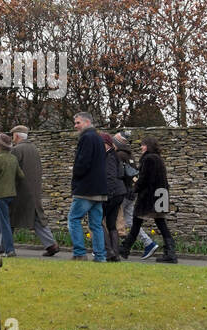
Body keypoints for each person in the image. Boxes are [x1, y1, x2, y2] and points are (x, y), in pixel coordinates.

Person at [120, 136, 178, 263]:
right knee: (160, 223)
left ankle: (125, 249)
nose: (141, 147)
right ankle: (170, 252)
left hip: (150, 195)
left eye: (143, 145)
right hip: (160, 194)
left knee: (137, 221)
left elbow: (144, 179)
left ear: (149, 146)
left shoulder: (149, 159)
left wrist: (134, 188)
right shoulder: (158, 159)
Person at [9, 125, 59, 256]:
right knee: (36, 217)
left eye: (13, 135)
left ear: (17, 136)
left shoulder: (16, 150)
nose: (12, 138)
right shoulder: (34, 149)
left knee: (9, 217)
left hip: (20, 190)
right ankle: (51, 245)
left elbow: (12, 172)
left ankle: (2, 246)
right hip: (34, 190)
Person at [67, 112, 107, 262]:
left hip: (86, 188)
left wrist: (76, 175)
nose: (76, 126)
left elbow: (82, 163)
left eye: (78, 122)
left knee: (73, 219)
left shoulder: (86, 138)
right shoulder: (98, 138)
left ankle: (79, 253)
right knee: (96, 224)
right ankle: (100, 256)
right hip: (99, 188)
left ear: (87, 122)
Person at [114, 133, 157, 260]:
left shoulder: (119, 155)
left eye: (113, 142)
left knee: (113, 220)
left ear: (117, 143)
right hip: (131, 192)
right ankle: (148, 243)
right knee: (130, 221)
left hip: (121, 192)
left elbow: (118, 174)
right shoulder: (130, 155)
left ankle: (110, 248)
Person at [101, 133, 129, 262]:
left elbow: (110, 176)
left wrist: (108, 194)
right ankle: (115, 254)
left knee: (97, 222)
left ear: (106, 143)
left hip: (112, 194)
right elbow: (121, 173)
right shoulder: (114, 155)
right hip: (119, 192)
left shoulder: (109, 156)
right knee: (112, 224)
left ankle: (109, 251)